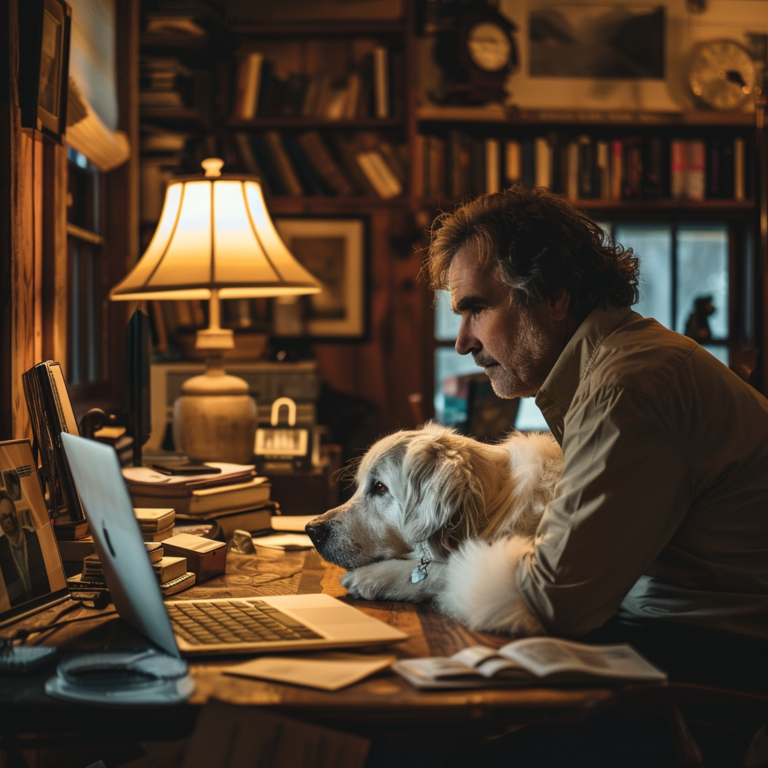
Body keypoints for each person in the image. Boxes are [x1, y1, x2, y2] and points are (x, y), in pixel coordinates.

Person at [426, 185, 768, 694]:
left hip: (710, 664)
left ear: (554, 295)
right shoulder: (615, 365)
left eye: (476, 308)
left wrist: (416, 576)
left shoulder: (624, 386)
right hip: (682, 638)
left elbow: (551, 600)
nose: (463, 341)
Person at [0, 490, 50, 607]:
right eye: (3, 517)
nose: (8, 520)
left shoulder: (36, 537)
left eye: (10, 514)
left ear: (16, 512)